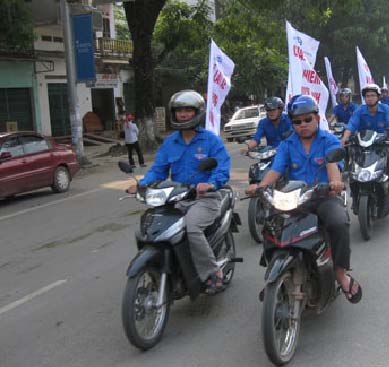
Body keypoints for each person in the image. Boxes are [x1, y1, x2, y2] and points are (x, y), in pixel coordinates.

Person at [246, 95, 362, 304]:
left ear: (317, 117)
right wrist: (260, 187)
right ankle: (274, 273)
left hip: (323, 196)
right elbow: (276, 169)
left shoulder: (328, 140)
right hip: (293, 197)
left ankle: (340, 274)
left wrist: (334, 184)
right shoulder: (287, 144)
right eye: (297, 122)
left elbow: (332, 165)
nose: (303, 125)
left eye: (307, 119)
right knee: (272, 223)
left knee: (338, 222)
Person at [127, 90, 231, 295]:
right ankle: (161, 268)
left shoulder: (210, 141)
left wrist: (210, 184)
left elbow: (222, 168)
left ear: (197, 112)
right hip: (176, 199)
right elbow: (158, 169)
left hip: (205, 198)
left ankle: (213, 272)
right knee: (150, 227)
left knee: (192, 228)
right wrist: (142, 184)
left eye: (188, 110)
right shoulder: (170, 142)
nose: (183, 115)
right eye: (179, 111)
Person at [342, 83, 389, 209]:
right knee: (352, 169)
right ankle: (355, 196)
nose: (370, 98)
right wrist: (344, 138)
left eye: (373, 95)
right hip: (362, 147)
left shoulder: (385, 109)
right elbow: (351, 125)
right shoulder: (360, 111)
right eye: (367, 96)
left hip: (381, 146)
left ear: (378, 97)